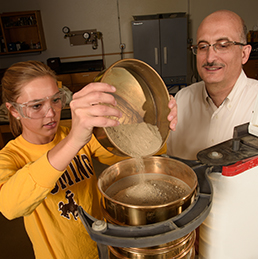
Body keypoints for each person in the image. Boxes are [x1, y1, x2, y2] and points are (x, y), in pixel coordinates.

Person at [0, 60, 177, 259]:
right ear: (14, 110)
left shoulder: (79, 138)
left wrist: (161, 126)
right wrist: (73, 141)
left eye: (56, 100)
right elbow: (10, 206)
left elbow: (131, 155)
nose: (50, 113)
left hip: (99, 245)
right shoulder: (11, 157)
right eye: (36, 105)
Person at [167, 9, 258, 160]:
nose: (210, 58)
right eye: (203, 46)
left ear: (244, 54)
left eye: (223, 45)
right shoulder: (182, 99)